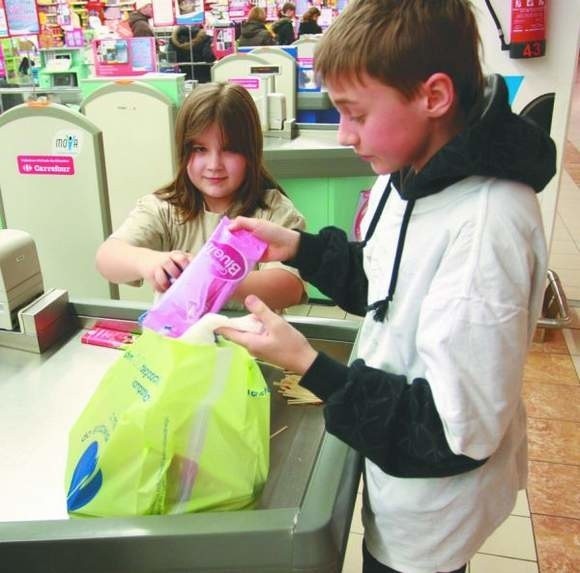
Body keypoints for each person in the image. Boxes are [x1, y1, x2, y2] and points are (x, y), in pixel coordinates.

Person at [218, 1, 557, 572]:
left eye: (355, 113)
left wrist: (309, 363)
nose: (345, 135)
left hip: (432, 507)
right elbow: (385, 283)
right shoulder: (406, 174)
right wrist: (300, 249)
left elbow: (452, 433)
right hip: (393, 458)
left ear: (433, 96)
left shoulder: (486, 226)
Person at [96, 82, 305, 311]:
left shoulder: (273, 211)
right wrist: (148, 261)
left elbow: (289, 287)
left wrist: (209, 276)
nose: (214, 165)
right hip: (180, 343)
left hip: (252, 344)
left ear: (250, 152)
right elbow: (107, 258)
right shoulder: (164, 209)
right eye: (199, 149)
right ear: (183, 151)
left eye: (229, 149)